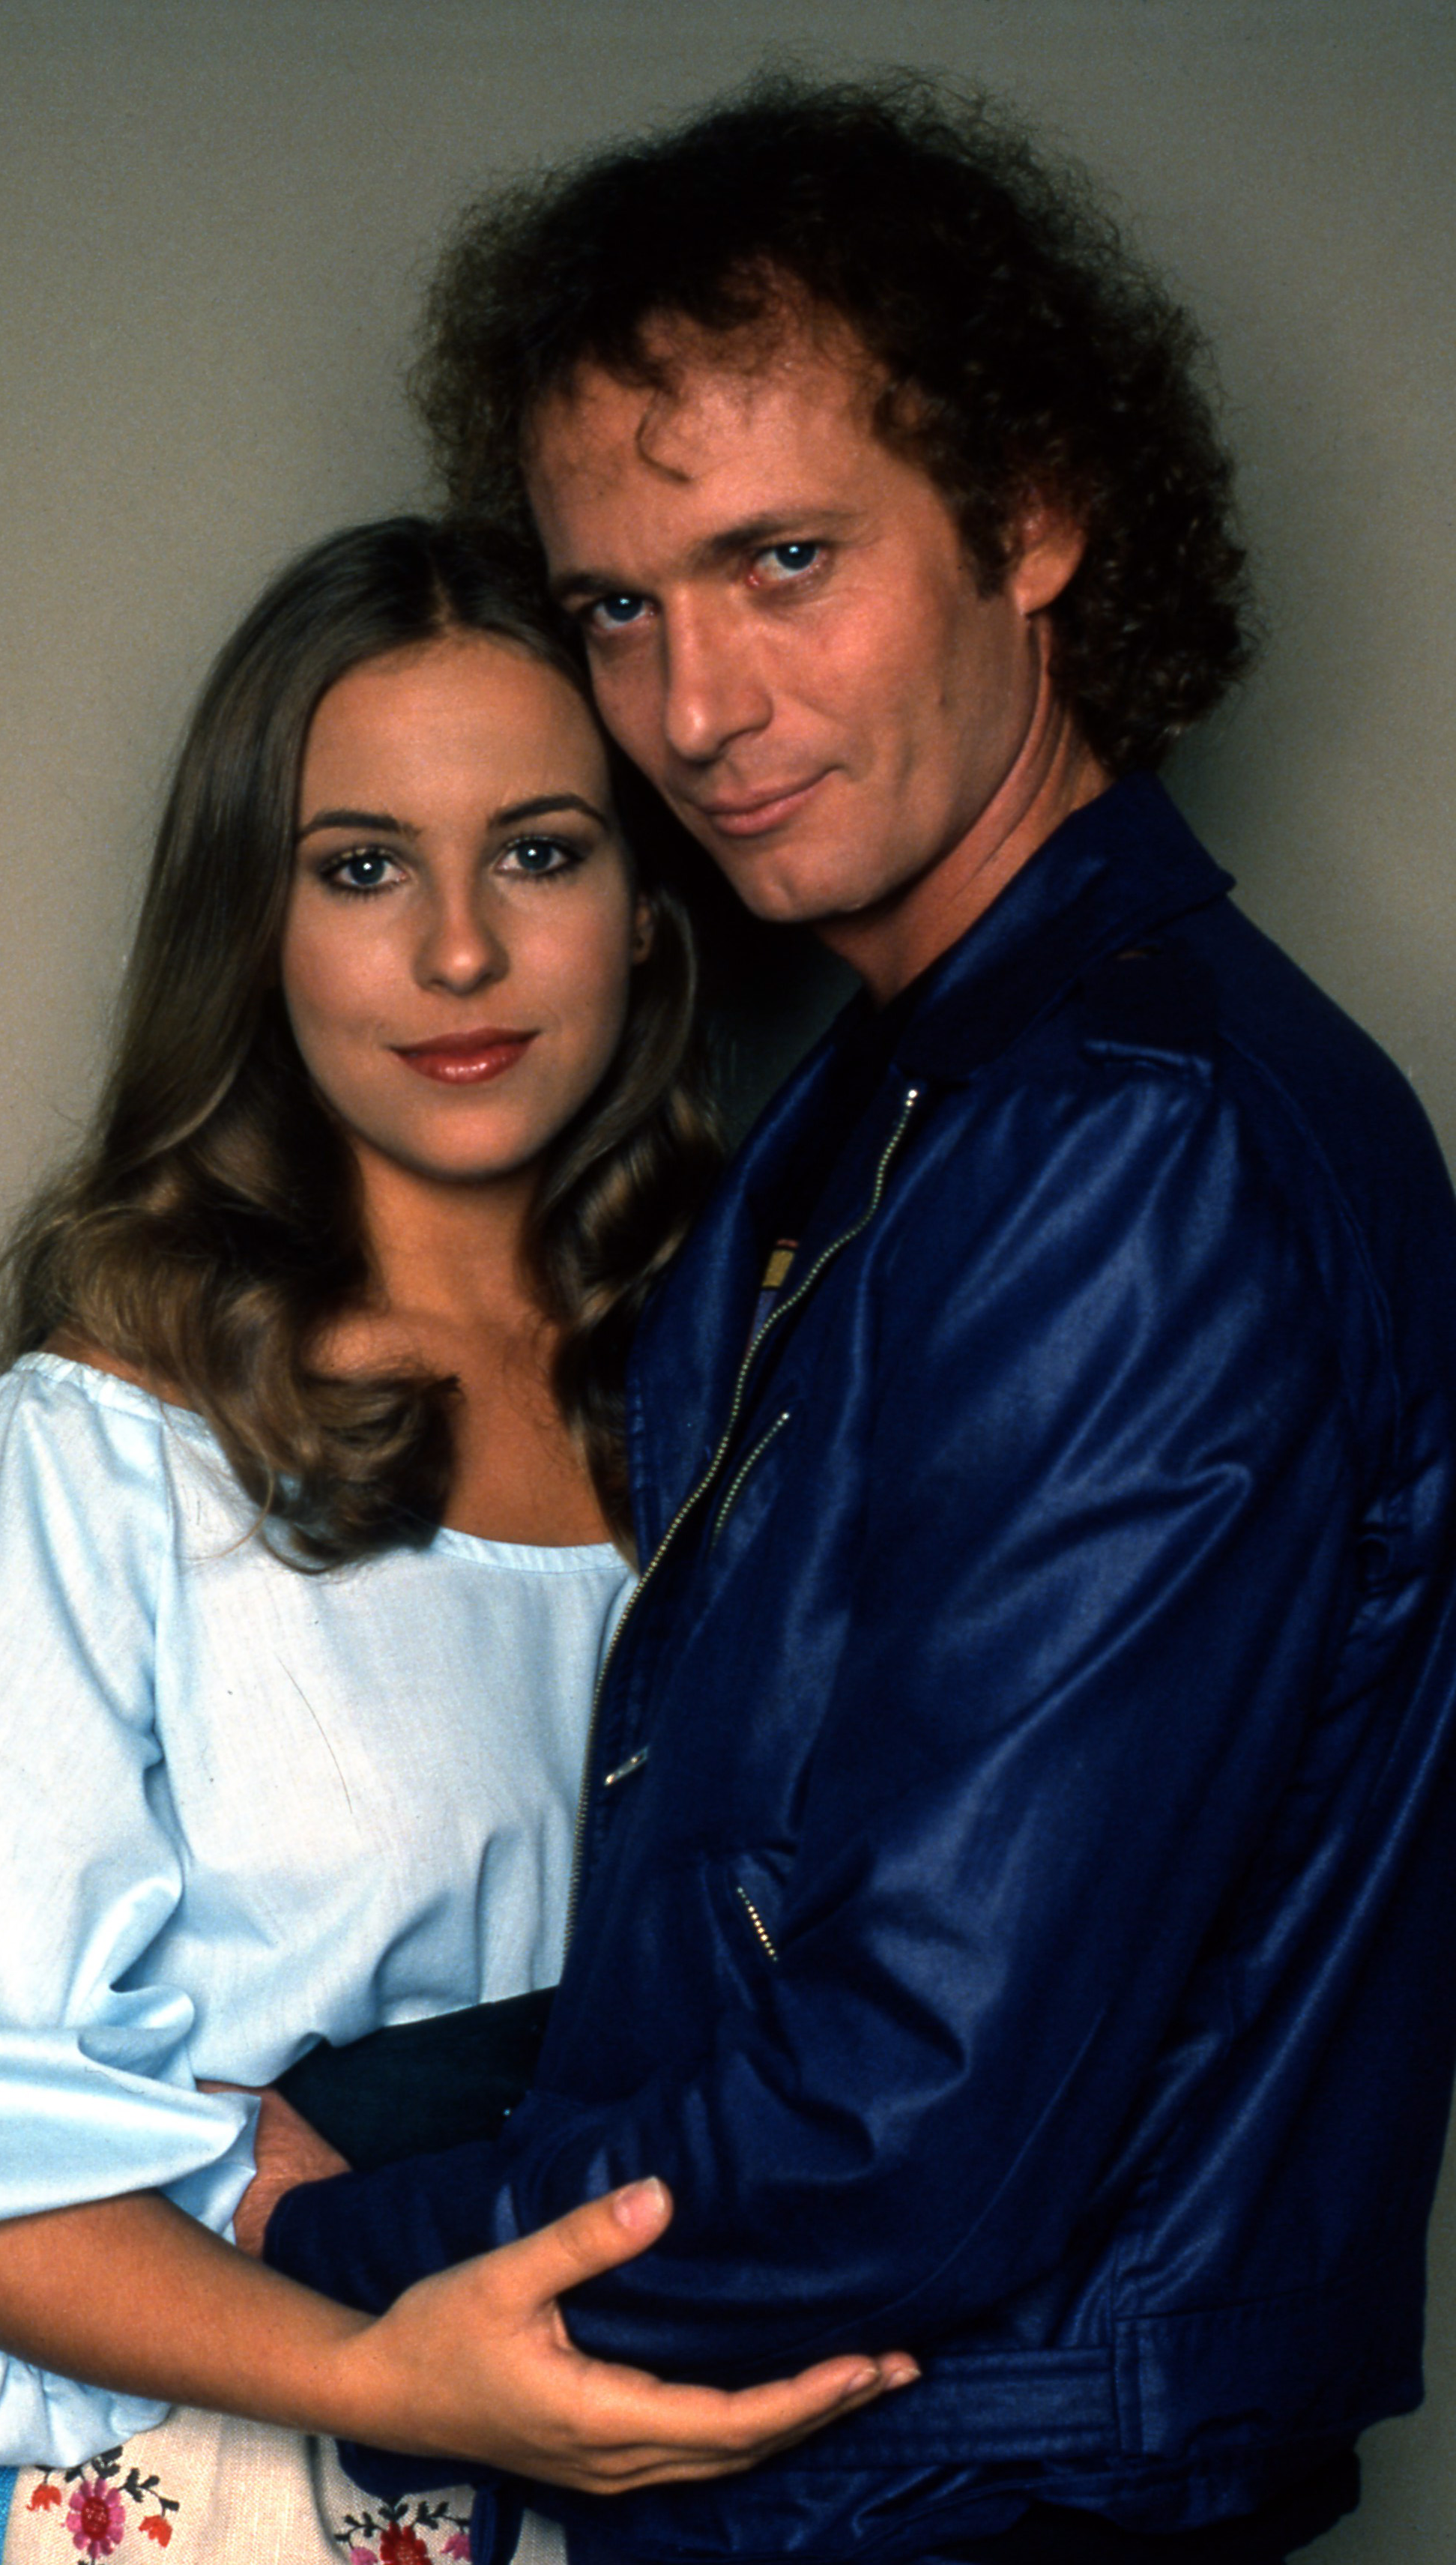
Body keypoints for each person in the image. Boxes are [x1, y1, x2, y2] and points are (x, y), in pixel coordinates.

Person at [255, 77, 1456, 2565]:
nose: (692, 706)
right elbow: (783, 1907)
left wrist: (311, 2255)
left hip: (974, 2506)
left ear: (1029, 520)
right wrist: (355, 2120)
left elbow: (908, 2128)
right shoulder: (892, 1109)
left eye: (780, 560)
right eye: (618, 603)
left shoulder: (1131, 1141)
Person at [0, 516, 915, 2565]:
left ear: (647, 907)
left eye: (538, 849)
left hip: (700, 2491)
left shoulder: (758, 1415)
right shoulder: (105, 1458)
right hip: (241, 2488)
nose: (457, 951)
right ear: (249, 927)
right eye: (361, 867)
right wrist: (380, 2378)